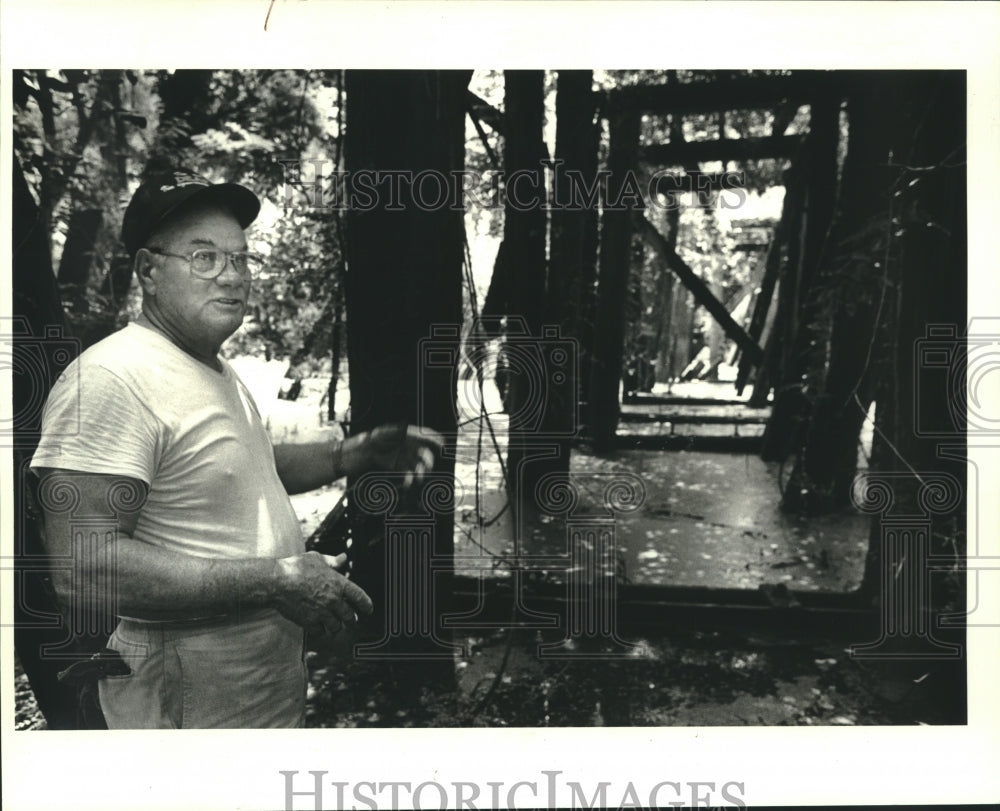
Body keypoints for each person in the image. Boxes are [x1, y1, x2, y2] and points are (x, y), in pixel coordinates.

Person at [29, 170, 443, 728]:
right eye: (204, 257)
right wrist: (278, 580)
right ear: (148, 271)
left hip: (249, 690)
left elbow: (244, 467)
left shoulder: (212, 368)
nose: (232, 276)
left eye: (241, 258)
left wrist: (351, 454)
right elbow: (84, 568)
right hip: (187, 702)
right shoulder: (111, 378)